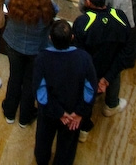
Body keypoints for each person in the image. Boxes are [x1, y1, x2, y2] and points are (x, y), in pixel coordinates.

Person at [32, 19, 97, 165]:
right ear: (72, 37)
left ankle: (42, 161)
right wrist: (79, 112)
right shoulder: (84, 58)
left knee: (43, 140)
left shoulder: (42, 58)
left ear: (50, 38)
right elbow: (90, 89)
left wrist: (58, 112)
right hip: (73, 112)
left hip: (49, 111)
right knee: (67, 147)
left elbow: (40, 91)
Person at [72, 0, 131, 138]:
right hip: (111, 67)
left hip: (89, 71)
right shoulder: (120, 17)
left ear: (88, 2)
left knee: (85, 99)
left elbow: (78, 55)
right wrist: (107, 78)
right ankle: (111, 105)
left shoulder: (83, 23)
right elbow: (126, 51)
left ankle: (83, 129)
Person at [2, 0, 58, 128]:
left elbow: (6, 6)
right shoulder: (49, 6)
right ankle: (25, 117)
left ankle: (9, 111)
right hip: (36, 49)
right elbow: (52, 18)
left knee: (15, 77)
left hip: (14, 45)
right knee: (30, 82)